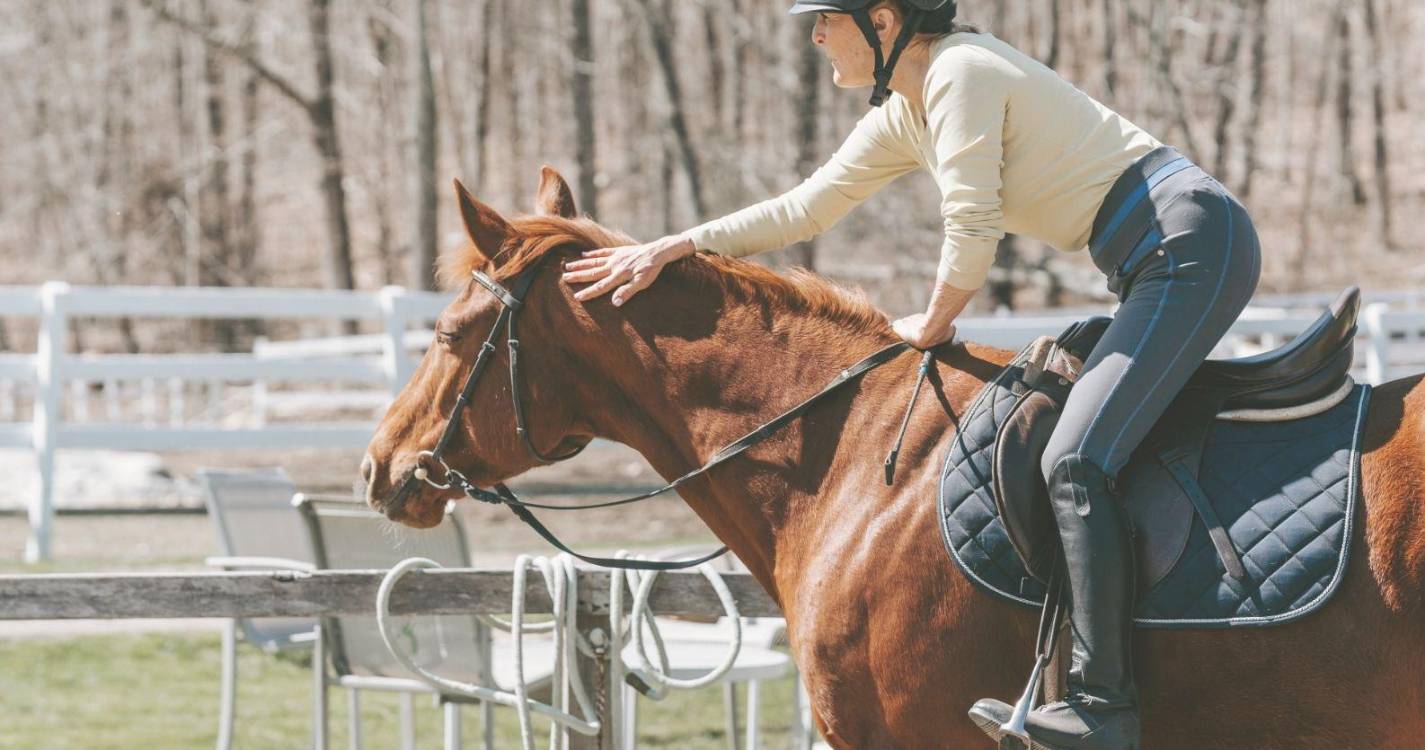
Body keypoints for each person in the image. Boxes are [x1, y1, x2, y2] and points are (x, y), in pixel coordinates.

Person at [560, 1, 1260, 747]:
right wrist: (677, 245)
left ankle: (1100, 704)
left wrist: (930, 323)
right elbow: (808, 206)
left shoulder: (962, 73)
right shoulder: (909, 107)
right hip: (1155, 256)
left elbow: (972, 224)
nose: (814, 34)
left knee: (1076, 459)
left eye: (826, 17)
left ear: (883, 20)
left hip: (1189, 245)